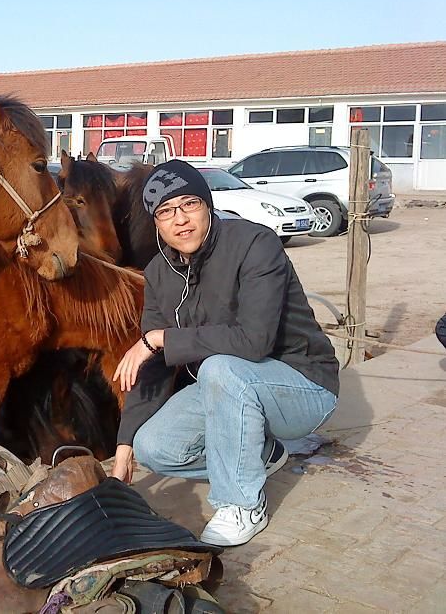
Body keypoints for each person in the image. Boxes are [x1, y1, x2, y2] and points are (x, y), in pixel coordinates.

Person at [110, 160, 339, 547]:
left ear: (208, 205)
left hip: (303, 384)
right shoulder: (158, 272)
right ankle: (261, 455)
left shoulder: (255, 244)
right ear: (156, 224)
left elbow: (254, 341)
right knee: (154, 447)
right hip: (230, 386)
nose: (180, 220)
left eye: (189, 205)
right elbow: (148, 366)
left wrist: (163, 338)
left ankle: (242, 502)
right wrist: (123, 448)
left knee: (218, 367)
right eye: (166, 212)